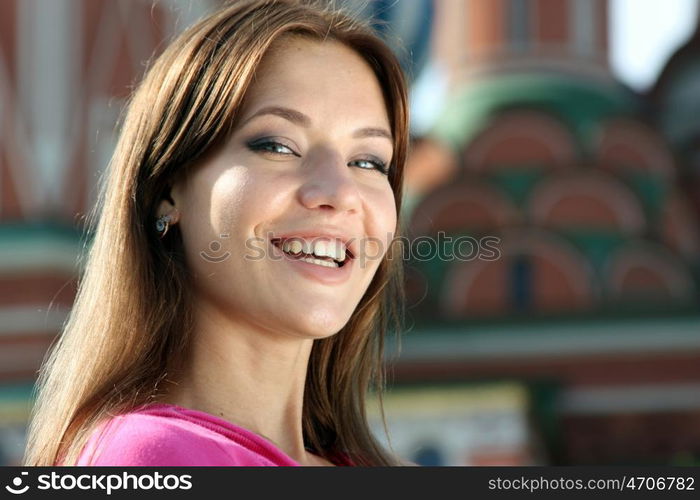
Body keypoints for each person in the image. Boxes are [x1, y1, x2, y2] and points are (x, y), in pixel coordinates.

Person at [22, 0, 409, 466]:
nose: (338, 192)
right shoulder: (150, 458)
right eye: (277, 145)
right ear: (169, 191)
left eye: (368, 161)